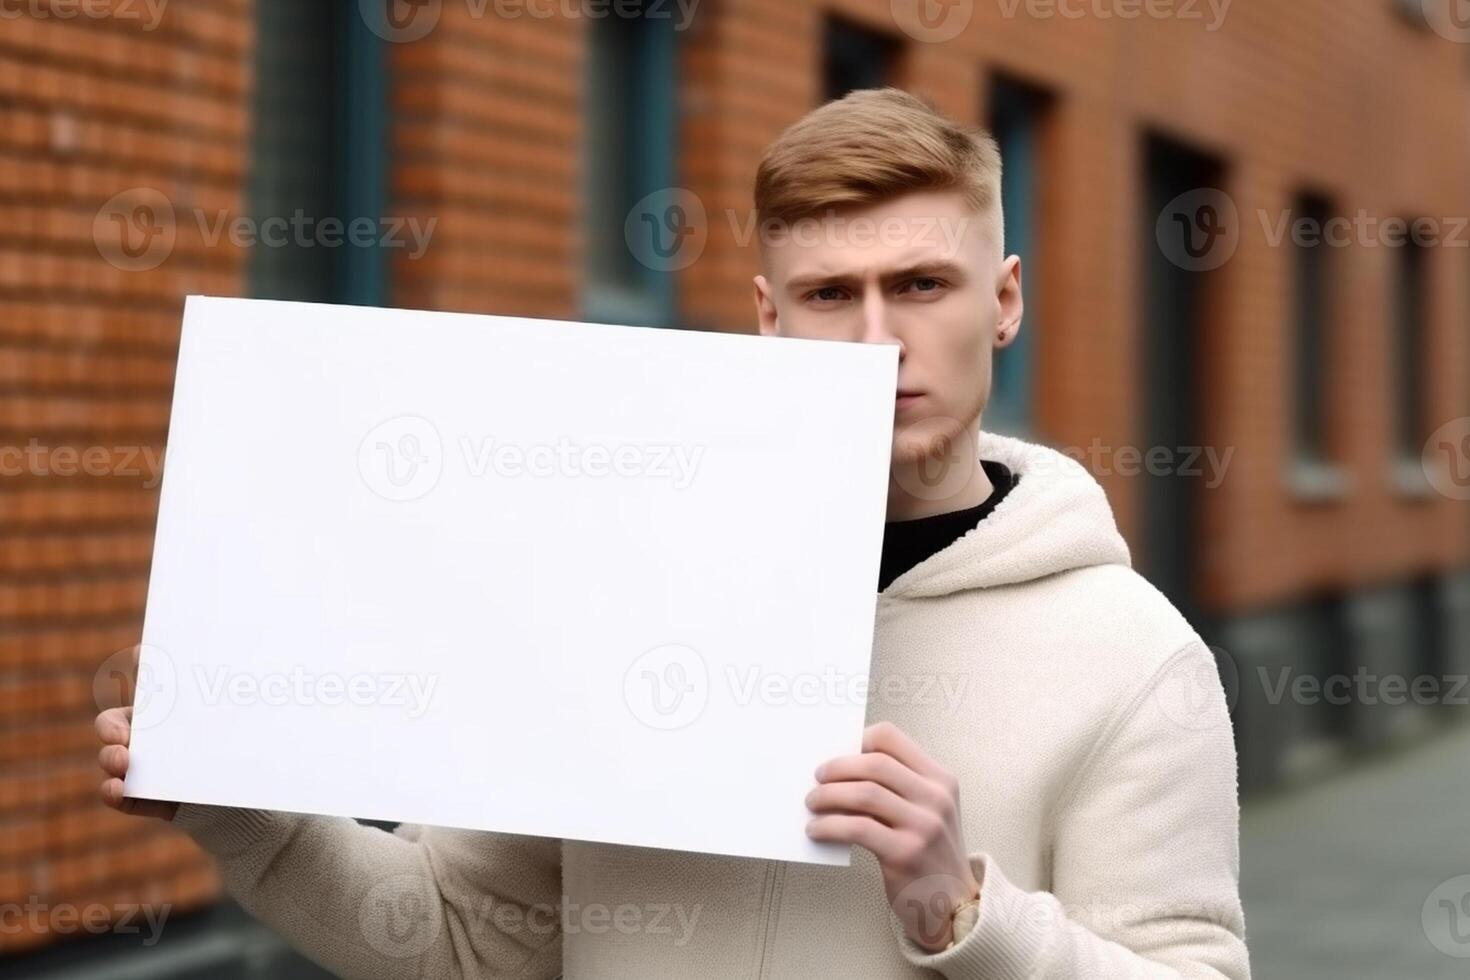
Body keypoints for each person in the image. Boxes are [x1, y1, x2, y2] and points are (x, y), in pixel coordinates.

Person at [96, 87, 1250, 978]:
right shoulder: (617, 578)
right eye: (830, 294)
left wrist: (969, 911)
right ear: (768, 317)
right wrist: (233, 800)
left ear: (1003, 301)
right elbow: (460, 937)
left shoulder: (1132, 655)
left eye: (921, 285)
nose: (877, 340)